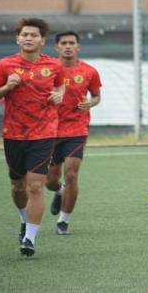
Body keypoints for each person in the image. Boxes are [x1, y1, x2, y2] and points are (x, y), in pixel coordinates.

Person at [0, 18, 65, 256]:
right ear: (17, 39)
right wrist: (7, 87)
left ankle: (29, 239)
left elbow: (60, 86)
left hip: (44, 134)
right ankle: (24, 219)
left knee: (35, 187)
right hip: (14, 134)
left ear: (42, 40)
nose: (28, 38)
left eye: (33, 35)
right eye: (24, 35)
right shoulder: (5, 65)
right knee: (17, 186)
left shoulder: (54, 66)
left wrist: (59, 95)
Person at [46, 31, 102, 235]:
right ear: (56, 47)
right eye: (63, 43)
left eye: (72, 43)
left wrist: (91, 103)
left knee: (71, 175)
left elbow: (96, 96)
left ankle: (63, 221)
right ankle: (59, 192)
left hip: (77, 130)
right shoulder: (48, 69)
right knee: (50, 180)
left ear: (78, 47)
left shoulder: (89, 71)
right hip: (50, 130)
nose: (68, 46)